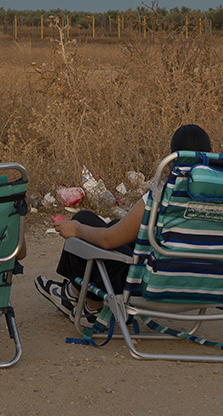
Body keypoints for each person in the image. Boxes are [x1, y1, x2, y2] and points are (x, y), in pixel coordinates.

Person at [35, 123, 213, 315]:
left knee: (84, 219)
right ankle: (73, 293)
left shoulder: (163, 195)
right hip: (207, 286)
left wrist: (76, 229)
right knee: (115, 226)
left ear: (172, 159)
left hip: (153, 287)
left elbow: (108, 240)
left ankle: (86, 303)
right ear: (212, 152)